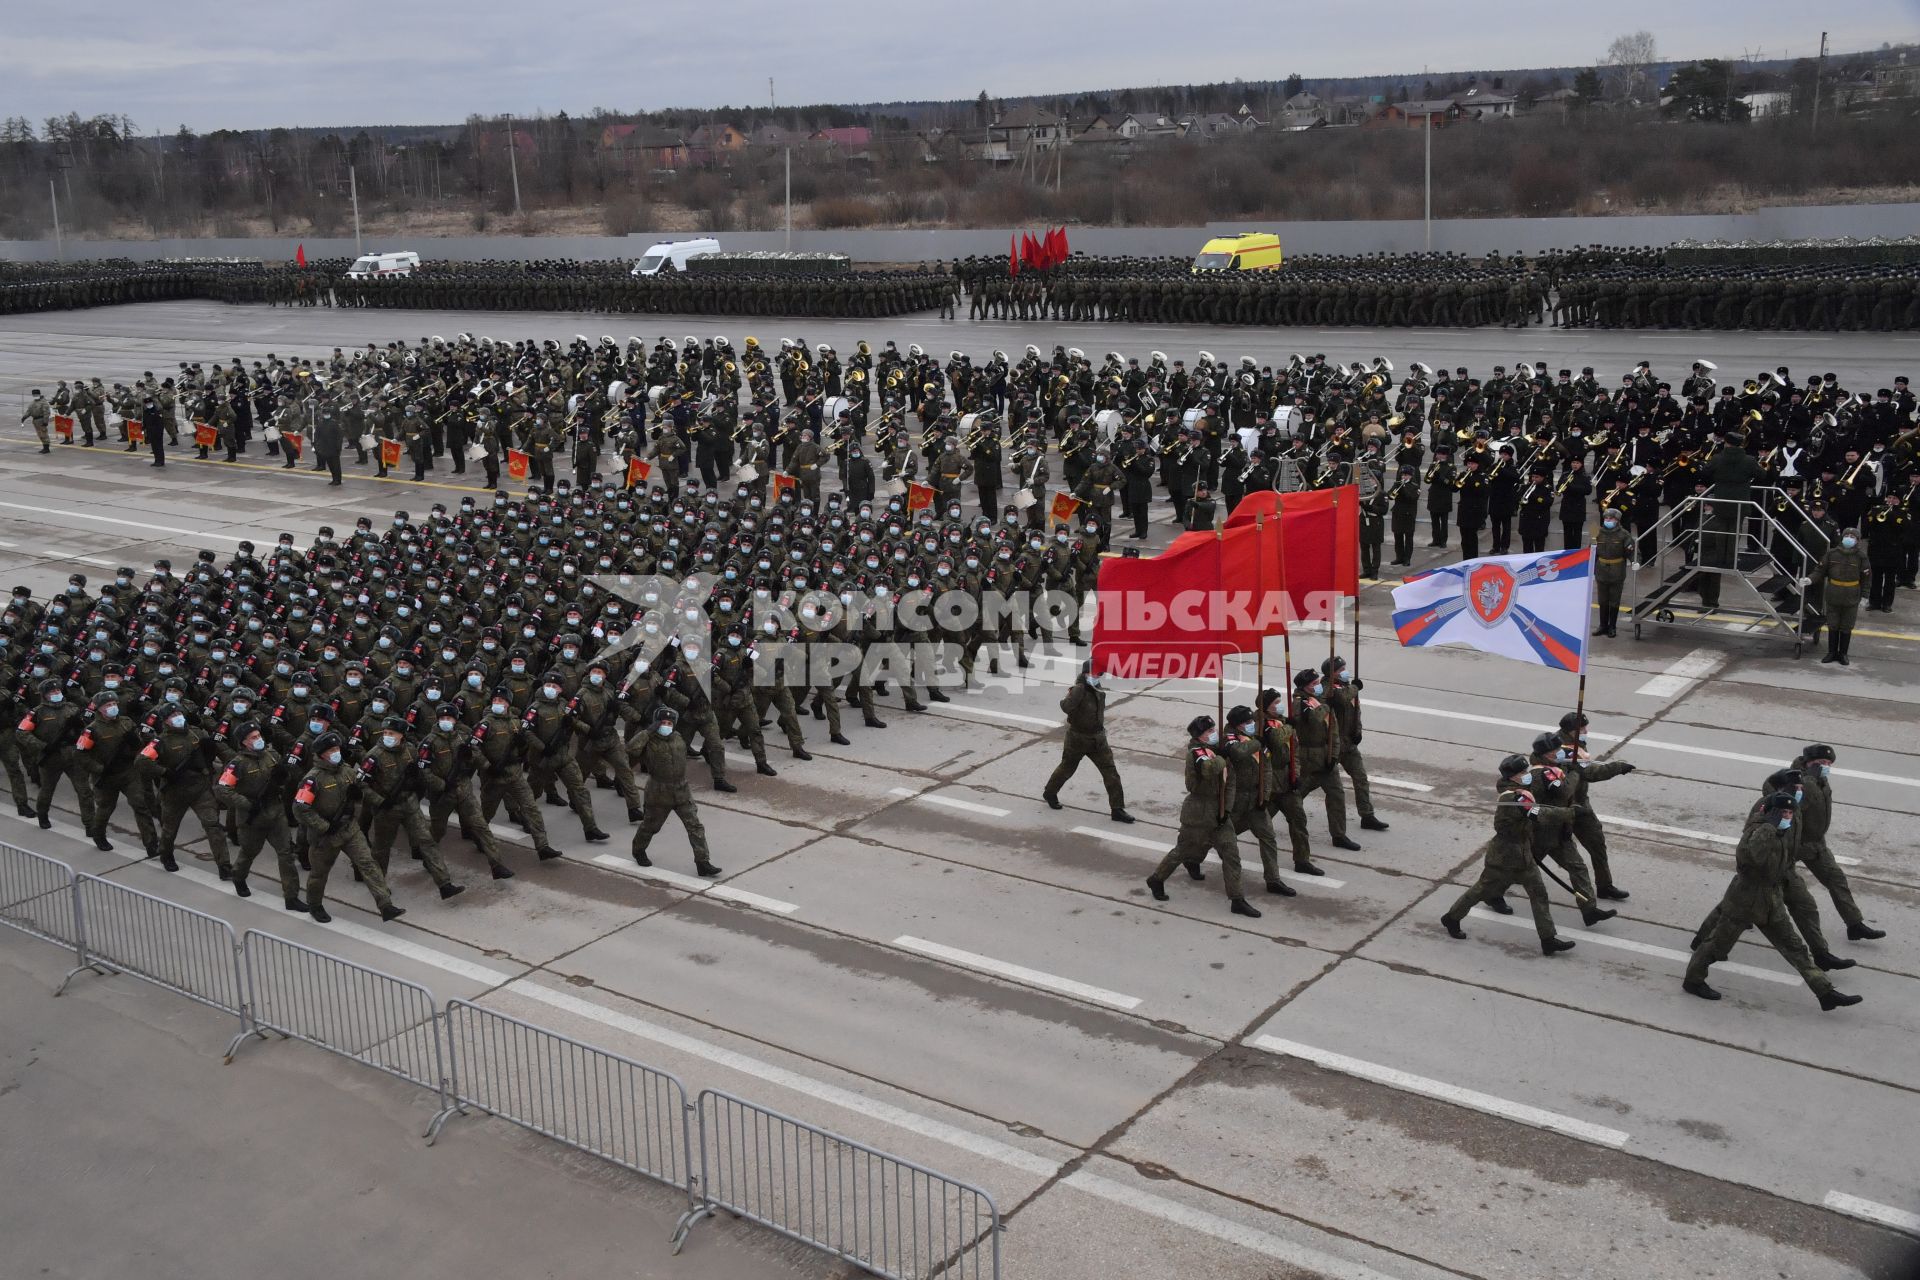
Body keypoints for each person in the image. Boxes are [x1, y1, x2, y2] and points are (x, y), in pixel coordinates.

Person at [1683, 791, 1860, 1010]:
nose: (1787, 816)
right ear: (1770, 813)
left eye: (1789, 812)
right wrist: (1770, 828)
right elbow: (1756, 860)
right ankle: (1693, 980)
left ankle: (1826, 993)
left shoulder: (1779, 832)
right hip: (1745, 901)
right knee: (1717, 945)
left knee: (1795, 948)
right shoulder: (1757, 832)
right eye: (1782, 812)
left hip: (1771, 900)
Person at [1439, 753, 1576, 955]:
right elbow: (1541, 814)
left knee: (1539, 894)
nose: (1527, 775)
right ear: (1512, 776)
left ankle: (1548, 939)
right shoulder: (1514, 798)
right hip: (1503, 858)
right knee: (1480, 891)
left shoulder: (1520, 791)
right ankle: (1452, 918)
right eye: (1523, 772)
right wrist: (1570, 813)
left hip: (1523, 856)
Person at [1146, 715, 1260, 918]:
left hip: (1219, 812)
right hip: (1198, 813)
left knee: (1231, 854)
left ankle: (1237, 899)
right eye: (1209, 732)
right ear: (1200, 736)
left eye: (1214, 730)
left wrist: (1226, 811)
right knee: (1182, 851)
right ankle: (1157, 878)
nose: (1214, 734)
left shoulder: (1215, 751)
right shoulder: (1197, 753)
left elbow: (1231, 782)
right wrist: (1222, 757)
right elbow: (1208, 770)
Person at [291, 731, 405, 924]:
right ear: (321, 754)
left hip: (350, 829)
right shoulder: (312, 779)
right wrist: (325, 826)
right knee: (319, 874)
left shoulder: (347, 771)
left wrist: (368, 798)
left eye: (337, 748)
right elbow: (300, 809)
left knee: (368, 864)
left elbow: (362, 790)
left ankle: (385, 905)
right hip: (325, 836)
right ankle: (315, 905)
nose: (337, 752)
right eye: (332, 750)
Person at [1792, 744, 1887, 943]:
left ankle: (1854, 925)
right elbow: (1794, 809)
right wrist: (1808, 781)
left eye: (1828, 763)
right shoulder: (1795, 781)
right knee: (1762, 882)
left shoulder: (1820, 779)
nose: (1825, 767)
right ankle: (1736, 916)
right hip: (1792, 844)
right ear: (1808, 762)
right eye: (1820, 763)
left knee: (1837, 880)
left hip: (1816, 843)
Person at [631, 705, 721, 877]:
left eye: (669, 723)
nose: (666, 726)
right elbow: (631, 749)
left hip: (681, 790)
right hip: (659, 792)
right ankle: (638, 850)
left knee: (695, 826)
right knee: (651, 826)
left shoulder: (678, 737)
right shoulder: (648, 741)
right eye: (663, 722)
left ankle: (703, 863)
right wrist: (648, 732)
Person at [1042, 663, 1132, 822]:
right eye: (1095, 674)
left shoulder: (1096, 687)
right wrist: (1072, 694)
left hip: (1098, 739)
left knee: (1111, 773)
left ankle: (1117, 809)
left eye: (1099, 674)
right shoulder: (1079, 689)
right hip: (1078, 738)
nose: (1097, 677)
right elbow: (1065, 706)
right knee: (1067, 768)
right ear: (1086, 673)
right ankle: (1050, 792)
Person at [1290, 668, 1360, 854]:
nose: (1318, 686)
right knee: (1293, 796)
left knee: (1336, 794)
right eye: (1313, 684)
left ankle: (1339, 835)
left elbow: (1333, 730)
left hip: (1326, 757)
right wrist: (1325, 705)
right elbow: (1313, 718)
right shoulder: (1300, 703)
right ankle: (1263, 816)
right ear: (1304, 687)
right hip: (1309, 758)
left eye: (1317, 682)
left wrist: (1334, 755)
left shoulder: (1319, 700)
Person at [1812, 527, 1866, 665]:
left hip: (1851, 596)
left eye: (1852, 536)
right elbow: (1820, 570)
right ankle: (1831, 653)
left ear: (1858, 540)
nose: (1849, 538)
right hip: (1833, 594)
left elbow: (1867, 577)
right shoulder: (1832, 554)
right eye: (1847, 535)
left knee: (1847, 625)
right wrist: (1810, 579)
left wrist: (1865, 595)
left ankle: (1843, 654)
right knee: (1833, 624)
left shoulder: (1861, 556)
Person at [1590, 507, 1633, 638]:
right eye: (1606, 518)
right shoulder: (1596, 531)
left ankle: (1612, 627)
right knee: (1602, 600)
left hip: (1617, 570)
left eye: (1611, 518)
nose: (1608, 520)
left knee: (1614, 600)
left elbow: (1631, 551)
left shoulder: (1624, 534)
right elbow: (1591, 551)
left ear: (1617, 520)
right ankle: (1603, 625)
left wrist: (1635, 560)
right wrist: (1590, 566)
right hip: (1601, 570)